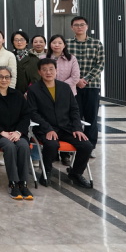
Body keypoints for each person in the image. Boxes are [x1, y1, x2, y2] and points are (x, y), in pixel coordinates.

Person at [28, 58, 93, 188]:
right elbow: (33, 113)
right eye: (44, 70)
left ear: (56, 70)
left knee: (86, 146)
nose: (48, 72)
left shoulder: (65, 87)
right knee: (51, 144)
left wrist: (77, 128)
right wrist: (48, 129)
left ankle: (76, 173)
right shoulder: (34, 89)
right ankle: (46, 172)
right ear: (39, 72)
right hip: (45, 128)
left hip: (67, 128)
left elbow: (74, 109)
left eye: (51, 69)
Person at [0, 66, 34, 200]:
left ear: (10, 79)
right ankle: (13, 183)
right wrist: (1, 132)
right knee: (9, 146)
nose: (4, 80)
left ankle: (23, 183)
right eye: (0, 77)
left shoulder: (17, 95)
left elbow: (26, 116)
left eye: (7, 77)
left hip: (16, 133)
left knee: (23, 146)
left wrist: (18, 132)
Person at [66, 16, 104, 152]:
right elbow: (64, 63)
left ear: (87, 27)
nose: (79, 27)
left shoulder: (96, 43)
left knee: (91, 117)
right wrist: (76, 81)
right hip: (72, 87)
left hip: (92, 86)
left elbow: (100, 64)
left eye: (82, 25)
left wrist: (85, 79)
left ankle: (90, 147)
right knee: (73, 117)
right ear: (72, 28)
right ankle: (74, 146)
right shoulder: (67, 44)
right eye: (76, 25)